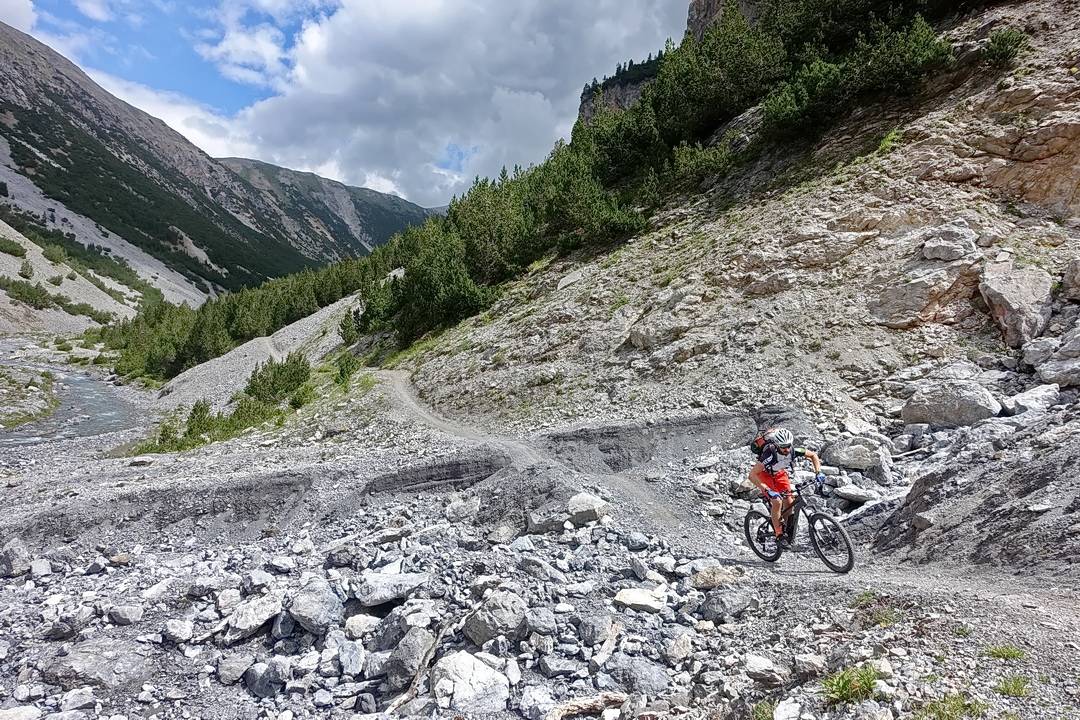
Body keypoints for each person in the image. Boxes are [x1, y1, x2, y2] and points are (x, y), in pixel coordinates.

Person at [748, 428, 825, 548]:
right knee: (777, 501)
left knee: (789, 503)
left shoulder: (793, 450)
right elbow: (752, 475)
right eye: (783, 447)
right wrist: (766, 489)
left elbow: (813, 455)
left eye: (788, 446)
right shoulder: (769, 454)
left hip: (779, 474)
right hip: (764, 475)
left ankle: (783, 527)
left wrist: (818, 472)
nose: (787, 449)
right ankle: (779, 535)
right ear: (777, 445)